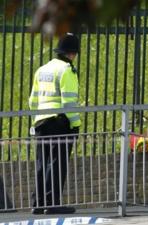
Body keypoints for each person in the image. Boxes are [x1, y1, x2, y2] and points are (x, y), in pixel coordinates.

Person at [29, 33, 81, 214]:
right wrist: (75, 125)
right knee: (58, 164)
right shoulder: (67, 70)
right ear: (73, 53)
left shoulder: (42, 69)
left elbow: (32, 100)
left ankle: (38, 203)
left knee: (42, 164)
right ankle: (53, 204)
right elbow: (69, 103)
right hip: (60, 123)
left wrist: (34, 122)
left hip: (41, 122)